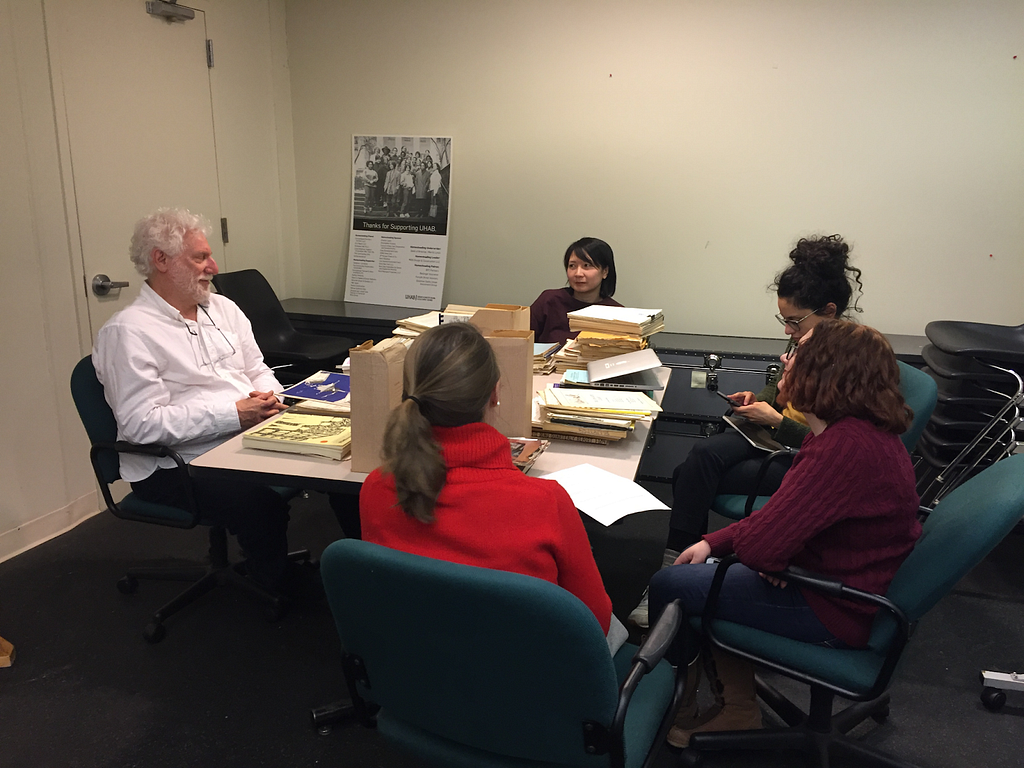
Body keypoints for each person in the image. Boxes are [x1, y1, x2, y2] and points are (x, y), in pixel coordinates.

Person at [649, 319, 921, 747]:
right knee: (708, 562)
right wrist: (713, 541)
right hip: (836, 578)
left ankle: (676, 705)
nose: (783, 358)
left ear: (825, 371)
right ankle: (737, 706)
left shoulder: (842, 447)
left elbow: (762, 543)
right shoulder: (847, 430)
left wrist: (773, 556)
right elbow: (778, 520)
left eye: (796, 353)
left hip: (836, 606)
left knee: (670, 583)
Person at [629, 234, 863, 628]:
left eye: (794, 321)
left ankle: (676, 569)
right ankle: (683, 566)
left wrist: (777, 422)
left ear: (829, 310)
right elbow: (781, 388)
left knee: (689, 474)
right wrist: (763, 399)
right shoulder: (808, 339)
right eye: (784, 320)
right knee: (700, 460)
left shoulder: (850, 358)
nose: (788, 331)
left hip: (801, 453)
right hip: (773, 436)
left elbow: (833, 449)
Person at [360, 322, 627, 652]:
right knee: (615, 625)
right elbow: (594, 622)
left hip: (420, 679)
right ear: (495, 394)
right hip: (528, 688)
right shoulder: (545, 502)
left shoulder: (377, 488)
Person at [92, 208, 298, 593]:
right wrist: (232, 415)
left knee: (337, 464)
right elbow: (141, 426)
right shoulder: (128, 332)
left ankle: (371, 577)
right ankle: (277, 586)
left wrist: (269, 397)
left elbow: (258, 369)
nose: (213, 267)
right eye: (200, 257)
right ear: (161, 260)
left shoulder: (223, 309)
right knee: (258, 505)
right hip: (172, 466)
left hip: (243, 436)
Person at [529, 237, 623, 344]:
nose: (578, 273)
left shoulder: (617, 313)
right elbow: (520, 340)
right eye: (572, 266)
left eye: (586, 265)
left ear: (605, 272)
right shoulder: (549, 301)